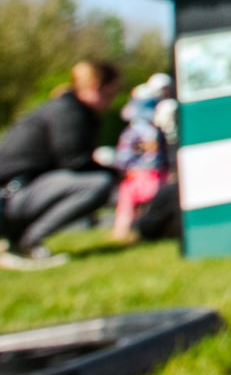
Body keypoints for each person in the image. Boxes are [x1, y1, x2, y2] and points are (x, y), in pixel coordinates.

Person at [0, 59, 121, 269]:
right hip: (11, 195)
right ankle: (28, 242)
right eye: (111, 94)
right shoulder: (69, 112)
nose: (112, 101)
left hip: (18, 192)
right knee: (98, 183)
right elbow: (74, 161)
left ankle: (20, 242)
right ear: (95, 88)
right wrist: (118, 173)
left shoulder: (64, 108)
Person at [111, 73, 173, 243]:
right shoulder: (154, 131)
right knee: (152, 207)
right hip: (155, 176)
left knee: (127, 206)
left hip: (137, 176)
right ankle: (147, 232)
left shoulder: (132, 132)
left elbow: (124, 157)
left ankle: (122, 234)